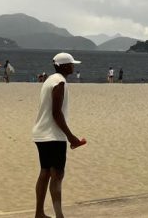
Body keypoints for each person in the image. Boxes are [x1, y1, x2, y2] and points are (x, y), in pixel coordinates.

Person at [32, 52, 86, 218]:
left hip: (41, 133)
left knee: (45, 172)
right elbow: (56, 113)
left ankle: (39, 213)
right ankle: (59, 215)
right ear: (63, 66)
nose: (73, 66)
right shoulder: (60, 82)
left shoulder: (49, 79)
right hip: (53, 136)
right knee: (57, 175)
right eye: (71, 64)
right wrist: (71, 137)